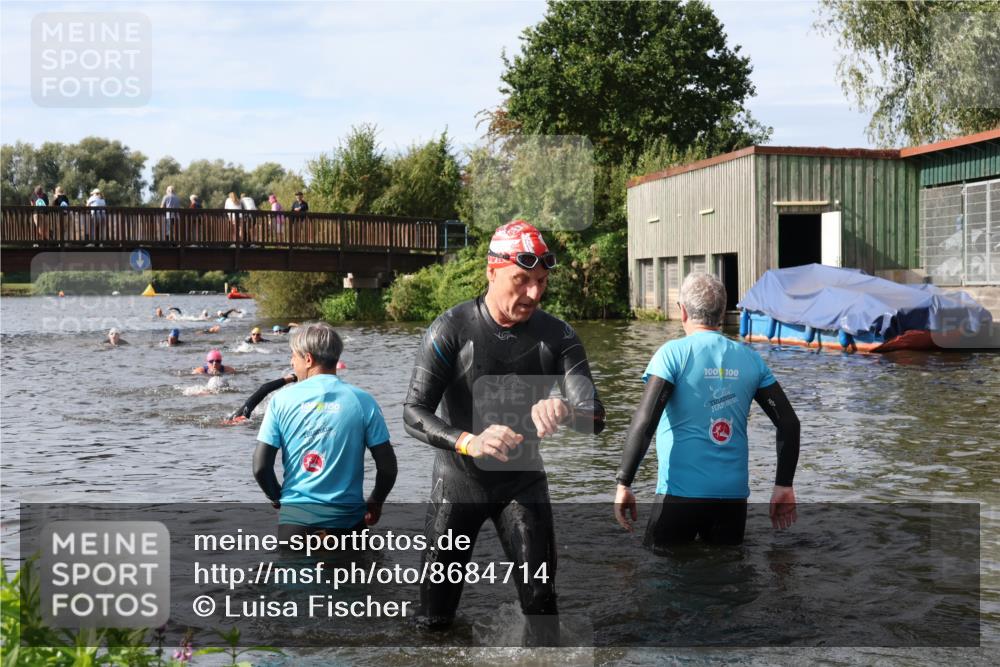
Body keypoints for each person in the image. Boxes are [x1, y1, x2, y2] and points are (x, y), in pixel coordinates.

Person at [402, 220, 605, 644]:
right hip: (458, 485)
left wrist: (565, 409)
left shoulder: (559, 336)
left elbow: (596, 416)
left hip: (522, 483)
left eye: (542, 282)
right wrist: (468, 440)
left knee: (543, 613)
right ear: (492, 272)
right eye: (522, 280)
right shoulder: (450, 329)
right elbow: (413, 412)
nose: (533, 294)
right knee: (433, 623)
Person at [613, 273, 801, 548]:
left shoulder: (672, 354)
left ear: (683, 311)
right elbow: (789, 423)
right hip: (732, 499)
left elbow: (645, 421)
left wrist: (624, 482)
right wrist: (784, 485)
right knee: (726, 577)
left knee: (660, 574)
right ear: (722, 312)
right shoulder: (751, 359)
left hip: (679, 495)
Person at [252, 322, 397, 543]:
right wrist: (376, 502)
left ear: (308, 359)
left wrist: (277, 498)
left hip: (295, 526)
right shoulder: (363, 401)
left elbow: (261, 467)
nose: (292, 362)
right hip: (347, 525)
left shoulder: (280, 400)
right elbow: (387, 468)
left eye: (294, 356)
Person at [225, 373, 297, 424]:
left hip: (236, 419)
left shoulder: (229, 422)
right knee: (263, 390)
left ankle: (291, 378)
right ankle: (291, 378)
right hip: (237, 421)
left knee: (263, 390)